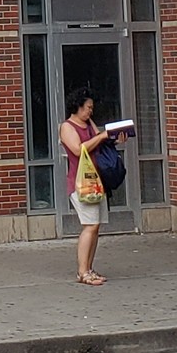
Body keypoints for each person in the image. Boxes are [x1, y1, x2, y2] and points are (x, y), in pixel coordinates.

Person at [59, 89, 111, 286]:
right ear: (78, 106)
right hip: (81, 183)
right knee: (89, 225)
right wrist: (101, 136)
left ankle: (89, 268)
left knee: (96, 226)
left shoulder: (89, 123)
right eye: (88, 107)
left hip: (96, 181)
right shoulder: (67, 127)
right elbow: (78, 149)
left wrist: (111, 137)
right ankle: (82, 271)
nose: (90, 112)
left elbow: (98, 142)